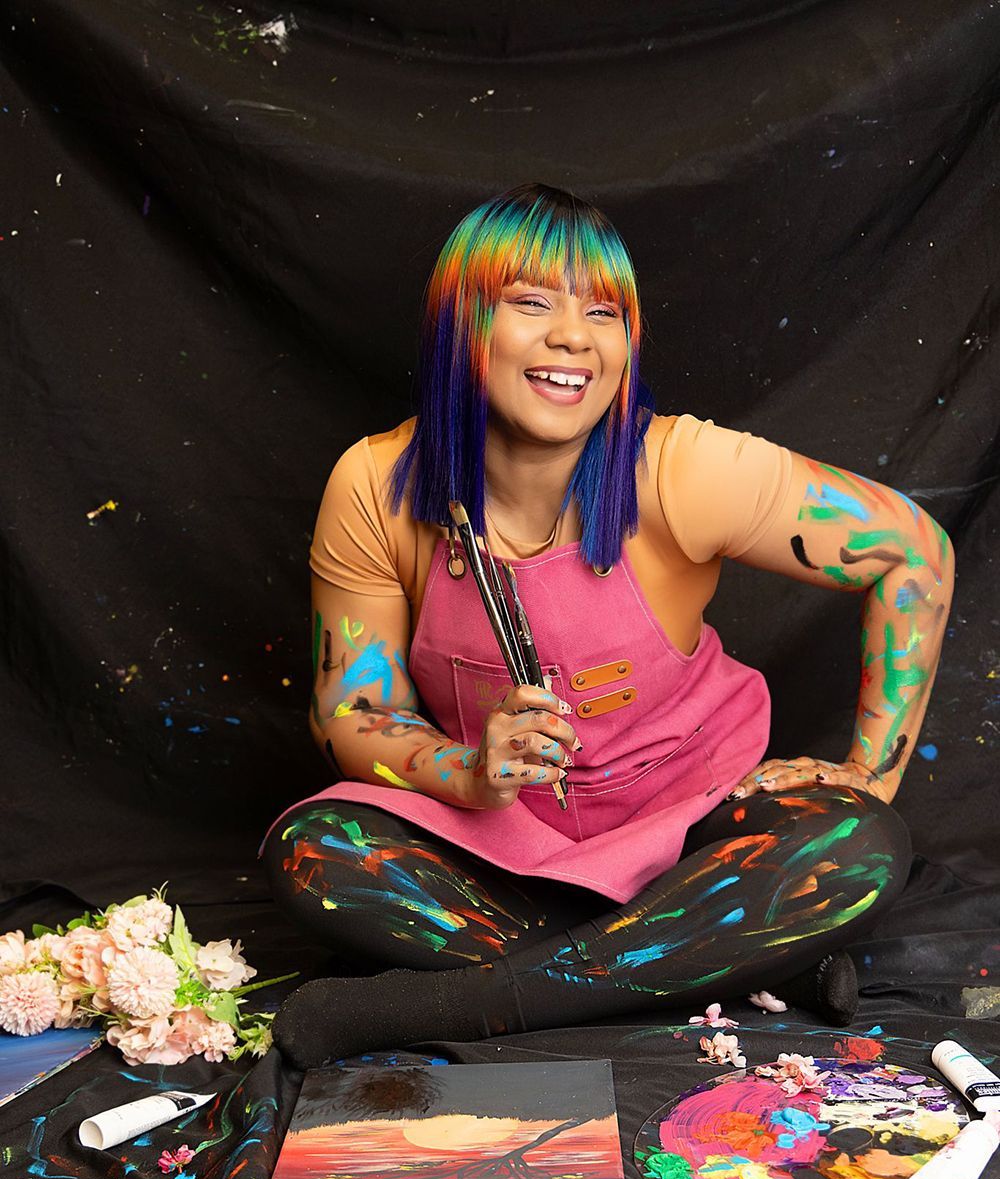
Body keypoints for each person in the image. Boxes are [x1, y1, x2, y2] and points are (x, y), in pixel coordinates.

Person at [262, 183, 951, 1070]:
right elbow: (351, 714)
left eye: (603, 312)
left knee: (857, 845)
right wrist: (468, 771)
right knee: (316, 852)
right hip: (507, 846)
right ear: (462, 324)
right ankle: (718, 970)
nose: (573, 339)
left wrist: (872, 774)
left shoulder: (689, 468)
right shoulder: (373, 484)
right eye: (532, 304)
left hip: (695, 836)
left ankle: (481, 1001)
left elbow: (914, 553)